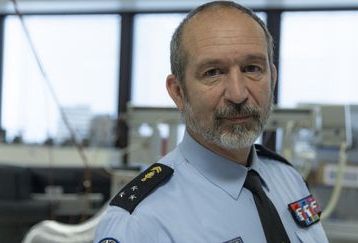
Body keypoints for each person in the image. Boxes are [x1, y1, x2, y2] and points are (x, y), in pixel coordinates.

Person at [95, 1, 329, 242]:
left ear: (273, 78)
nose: (238, 94)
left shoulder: (288, 178)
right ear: (178, 92)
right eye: (213, 72)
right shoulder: (140, 222)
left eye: (252, 68)